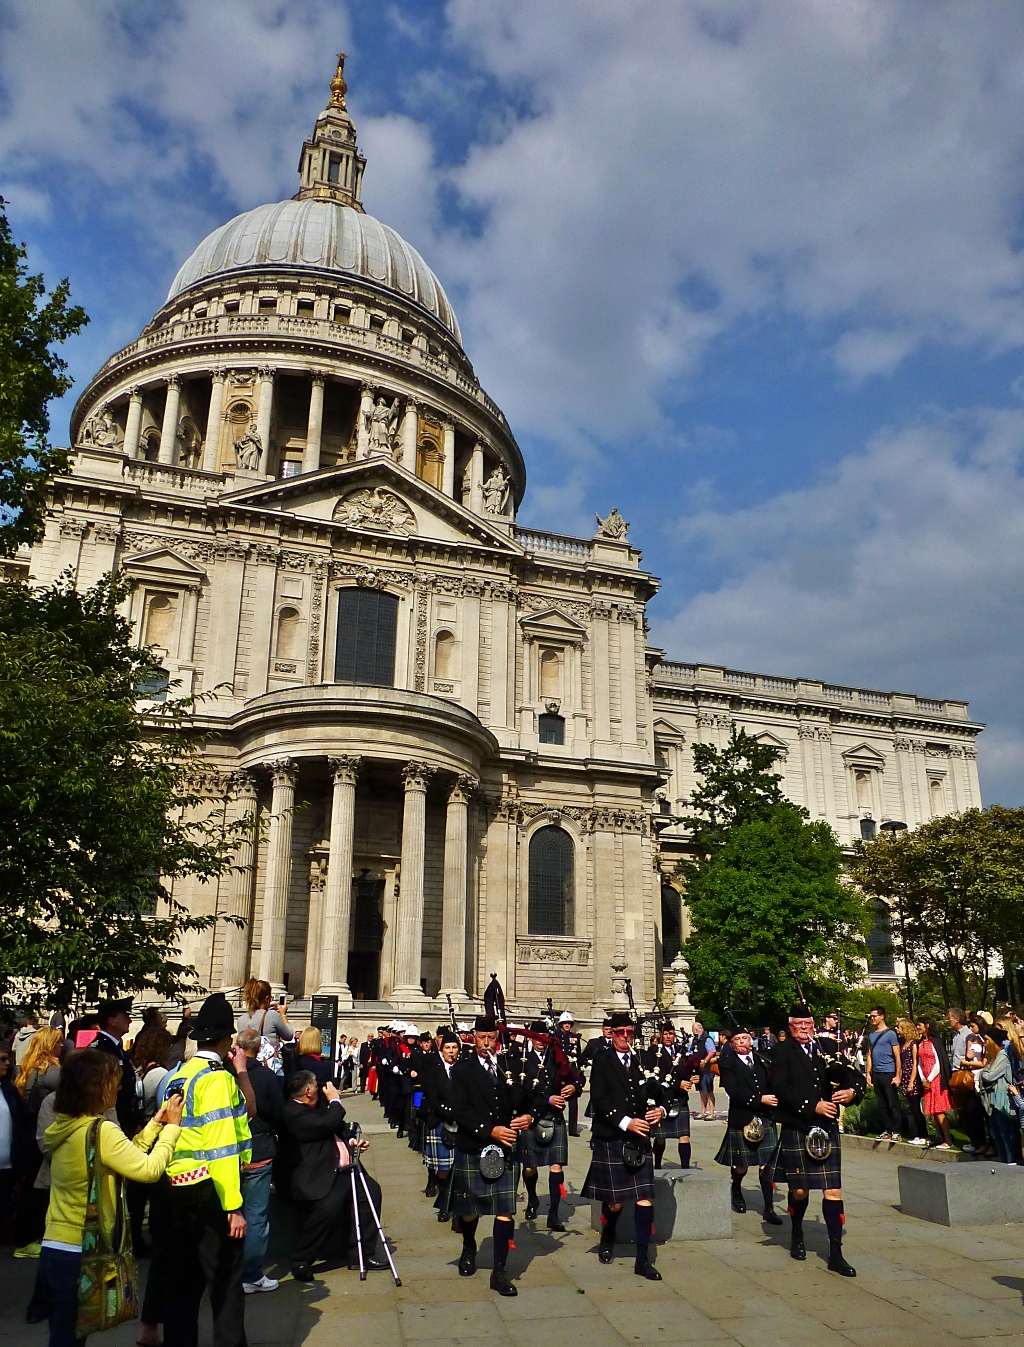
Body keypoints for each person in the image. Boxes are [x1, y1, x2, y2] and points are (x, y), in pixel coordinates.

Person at [39, 1049, 183, 1347]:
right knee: (69, 1338)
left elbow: (123, 1154)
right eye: (114, 1081)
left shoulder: (68, 1125)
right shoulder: (101, 1129)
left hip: (55, 1247)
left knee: (64, 1335)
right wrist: (172, 1130)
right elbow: (147, 1170)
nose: (119, 1087)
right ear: (98, 1087)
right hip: (84, 1251)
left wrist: (155, 1124)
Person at [149, 992, 255, 1347]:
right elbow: (222, 1145)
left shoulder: (180, 1074)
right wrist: (233, 1205)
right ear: (227, 1039)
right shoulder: (218, 1079)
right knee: (225, 1282)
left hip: (174, 1184)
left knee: (183, 1281)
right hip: (210, 1188)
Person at [438, 1014, 539, 1296]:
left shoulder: (511, 1065)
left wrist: (529, 1116)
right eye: (482, 1038)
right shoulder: (462, 1070)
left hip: (506, 1148)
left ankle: (499, 1271)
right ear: (473, 1038)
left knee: (505, 1211)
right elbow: (459, 1110)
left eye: (491, 1038)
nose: (487, 1044)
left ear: (498, 1038)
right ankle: (469, 1246)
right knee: (469, 1212)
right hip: (475, 1145)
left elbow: (533, 1097)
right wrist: (489, 1130)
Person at [771, 1002, 864, 1276]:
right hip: (799, 1125)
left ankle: (836, 1252)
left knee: (833, 1190)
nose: (804, 1029)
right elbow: (781, 1088)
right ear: (790, 1027)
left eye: (808, 1024)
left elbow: (855, 1076)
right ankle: (797, 1231)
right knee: (800, 1191)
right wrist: (812, 1105)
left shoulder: (827, 1047)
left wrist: (852, 1092)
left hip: (826, 1127)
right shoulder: (781, 1052)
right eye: (799, 1025)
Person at [581, 1012, 666, 1280]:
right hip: (613, 1136)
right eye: (620, 1033)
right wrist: (626, 1122)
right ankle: (608, 1234)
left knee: (644, 1198)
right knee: (615, 1202)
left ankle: (642, 1259)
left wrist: (661, 1109)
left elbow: (662, 1092)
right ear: (611, 1033)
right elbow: (599, 1099)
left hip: (639, 1139)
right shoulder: (602, 1060)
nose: (625, 1038)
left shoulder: (643, 1060)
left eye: (629, 1033)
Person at [281, 1069, 385, 1279]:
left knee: (371, 1193)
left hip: (342, 1169)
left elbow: (337, 1127)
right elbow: (326, 1124)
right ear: (308, 1090)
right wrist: (336, 1100)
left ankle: (361, 1254)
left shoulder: (316, 1106)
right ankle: (302, 1259)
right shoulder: (294, 1113)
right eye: (316, 1087)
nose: (321, 1090)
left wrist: (352, 1142)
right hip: (317, 1174)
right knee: (327, 1207)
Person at [230, 1028, 285, 1295]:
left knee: (230, 1213)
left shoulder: (224, 1074)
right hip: (259, 1150)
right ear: (257, 1048)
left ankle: (229, 1271)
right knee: (255, 1215)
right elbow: (279, 1112)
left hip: (227, 1153)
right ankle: (251, 1274)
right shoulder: (266, 1076)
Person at [715, 1026, 782, 1222]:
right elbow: (733, 1090)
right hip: (742, 1118)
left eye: (746, 1038)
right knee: (741, 1166)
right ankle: (736, 1188)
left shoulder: (762, 1059)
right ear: (732, 1043)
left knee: (767, 1166)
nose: (744, 1042)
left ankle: (769, 1208)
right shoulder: (727, 1063)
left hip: (766, 1117)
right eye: (739, 1039)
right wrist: (760, 1098)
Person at [518, 1022, 575, 1231]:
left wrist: (573, 1086)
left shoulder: (556, 1056)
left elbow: (576, 1076)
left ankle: (554, 1213)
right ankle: (533, 1197)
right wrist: (547, 1098)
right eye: (537, 1037)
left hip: (554, 1117)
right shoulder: (522, 1059)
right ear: (531, 1038)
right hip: (531, 1118)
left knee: (556, 1166)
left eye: (544, 1036)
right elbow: (521, 1088)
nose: (541, 1041)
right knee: (530, 1167)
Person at [14, 1027, 65, 1258]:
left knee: (30, 1186)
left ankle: (25, 1236)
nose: (62, 1046)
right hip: (44, 1130)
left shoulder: (29, 1068)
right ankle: (28, 1238)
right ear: (48, 1044)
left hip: (28, 1132)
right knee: (38, 1188)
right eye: (58, 1042)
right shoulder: (51, 1071)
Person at [643, 1021, 697, 1170]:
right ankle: (658, 1165)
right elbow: (655, 1076)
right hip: (663, 1097)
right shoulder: (654, 1052)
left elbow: (687, 1068)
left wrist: (691, 1077)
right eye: (665, 1034)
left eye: (671, 1034)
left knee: (684, 1134)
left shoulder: (680, 1050)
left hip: (680, 1098)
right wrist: (678, 1084)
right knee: (660, 1137)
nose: (668, 1036)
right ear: (661, 1035)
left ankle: (686, 1167)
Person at [91, 998, 143, 1138]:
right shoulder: (101, 1049)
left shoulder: (115, 1047)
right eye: (126, 1016)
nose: (130, 1021)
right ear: (112, 1020)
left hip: (123, 1122)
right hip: (111, 1124)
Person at [0, 1042, 33, 1249]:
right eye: (1, 1059)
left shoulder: (9, 1090)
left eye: (6, 1059)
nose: (6, 1063)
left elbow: (22, 1122)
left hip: (8, 1165)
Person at [421, 1030, 459, 1203]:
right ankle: (444, 1201)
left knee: (457, 1167)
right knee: (443, 1169)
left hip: (461, 1123)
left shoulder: (464, 1069)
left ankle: (452, 1205)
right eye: (447, 1048)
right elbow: (432, 1096)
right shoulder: (432, 1069)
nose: (451, 1051)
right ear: (441, 1050)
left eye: (454, 1047)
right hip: (439, 1120)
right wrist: (449, 1113)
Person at [978, 1018, 1022, 1164]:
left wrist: (982, 1073)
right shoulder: (992, 1057)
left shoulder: (1003, 1056)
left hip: (1001, 1099)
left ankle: (1010, 1162)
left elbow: (989, 1075)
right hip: (993, 1099)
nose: (984, 1042)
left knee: (1005, 1133)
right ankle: (1004, 1161)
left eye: (986, 1039)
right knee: (995, 1133)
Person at [236, 979, 294, 1076]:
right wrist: (283, 1014)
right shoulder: (272, 1015)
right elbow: (289, 1035)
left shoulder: (241, 1019)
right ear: (267, 998)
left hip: (248, 1068)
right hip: (271, 1068)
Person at [865, 1006, 902, 1141]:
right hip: (877, 1073)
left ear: (882, 1016)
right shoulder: (871, 1034)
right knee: (882, 1104)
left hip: (889, 1072)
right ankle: (887, 1130)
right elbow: (869, 1054)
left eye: (874, 1016)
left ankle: (897, 1130)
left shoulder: (891, 1034)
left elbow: (897, 1055)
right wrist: (868, 1073)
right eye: (871, 1016)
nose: (872, 1019)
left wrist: (898, 1075)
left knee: (892, 1103)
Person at [916, 1018, 953, 1149]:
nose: (917, 1027)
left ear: (927, 1026)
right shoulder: (920, 1043)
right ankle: (941, 1136)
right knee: (933, 1111)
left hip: (935, 1079)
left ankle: (948, 1140)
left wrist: (929, 1079)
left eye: (919, 1024)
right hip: (926, 1080)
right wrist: (922, 1079)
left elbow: (938, 1062)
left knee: (939, 1111)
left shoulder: (935, 1042)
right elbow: (919, 1063)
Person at [895, 1020, 928, 1145]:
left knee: (915, 1108)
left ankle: (923, 1135)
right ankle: (917, 1133)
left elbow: (915, 1063)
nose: (897, 1029)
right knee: (911, 1108)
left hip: (912, 1078)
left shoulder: (914, 1044)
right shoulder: (904, 1043)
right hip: (905, 1076)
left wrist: (911, 1081)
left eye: (898, 1027)